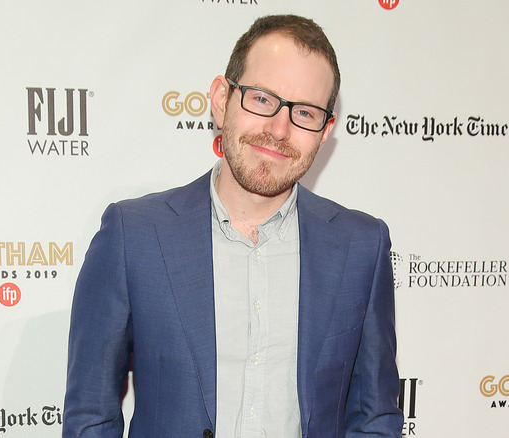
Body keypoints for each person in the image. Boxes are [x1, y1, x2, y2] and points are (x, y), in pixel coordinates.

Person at [63, 14, 403, 438]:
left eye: (305, 112)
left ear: (325, 130)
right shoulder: (134, 236)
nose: (280, 129)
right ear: (222, 99)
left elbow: (374, 418)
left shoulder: (361, 248)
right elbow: (90, 416)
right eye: (262, 99)